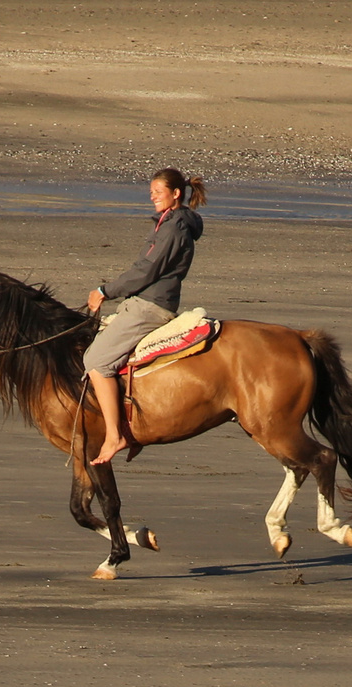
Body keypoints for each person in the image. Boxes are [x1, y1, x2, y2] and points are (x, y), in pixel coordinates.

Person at [82, 168, 208, 465]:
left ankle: (115, 435)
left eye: (158, 191)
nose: (152, 196)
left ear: (176, 194)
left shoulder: (174, 227)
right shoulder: (168, 222)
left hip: (150, 305)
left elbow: (146, 271)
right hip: (144, 301)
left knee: (96, 362)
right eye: (150, 191)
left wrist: (105, 290)